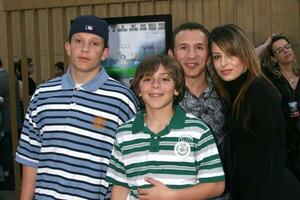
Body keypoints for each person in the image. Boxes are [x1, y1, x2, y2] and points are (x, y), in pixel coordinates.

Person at [15, 15, 139, 200]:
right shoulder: (42, 94)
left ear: (105, 53)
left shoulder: (122, 99)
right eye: (78, 41)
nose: (85, 48)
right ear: (68, 47)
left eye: (94, 43)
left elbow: (129, 165)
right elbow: (30, 156)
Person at [106, 55, 225, 200]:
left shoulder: (198, 131)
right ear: (138, 89)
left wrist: (172, 195)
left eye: (165, 79)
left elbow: (216, 185)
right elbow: (120, 188)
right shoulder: (124, 134)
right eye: (148, 79)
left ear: (177, 88)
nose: (156, 85)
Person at [209, 24, 300, 199]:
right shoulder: (232, 90)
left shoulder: (259, 90)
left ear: (244, 54)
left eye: (231, 54)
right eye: (217, 56)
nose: (223, 63)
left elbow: (274, 156)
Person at [168, 23, 228, 199]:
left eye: (199, 47)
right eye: (183, 48)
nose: (192, 55)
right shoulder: (159, 97)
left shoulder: (228, 94)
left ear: (209, 54)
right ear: (171, 54)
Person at [256, 34, 300, 181]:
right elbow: (248, 60)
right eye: (279, 50)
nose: (286, 51)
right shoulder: (271, 78)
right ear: (273, 58)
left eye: (287, 47)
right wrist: (267, 43)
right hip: (285, 144)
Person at [0, 58, 22, 190]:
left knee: (6, 154)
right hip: (14, 120)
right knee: (12, 152)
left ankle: (9, 181)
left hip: (4, 122)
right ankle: (13, 179)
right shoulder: (10, 76)